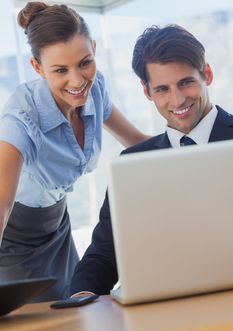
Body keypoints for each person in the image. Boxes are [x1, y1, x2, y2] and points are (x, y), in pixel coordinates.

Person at [0, 2, 149, 302]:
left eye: (85, 62)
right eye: (60, 70)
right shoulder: (23, 115)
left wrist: (199, 150)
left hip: (57, 228)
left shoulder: (96, 90)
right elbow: (1, 204)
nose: (78, 80)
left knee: (75, 314)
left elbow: (138, 143)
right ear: (38, 68)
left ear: (94, 49)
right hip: (14, 240)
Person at [70, 24, 233, 297]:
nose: (177, 99)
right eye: (162, 89)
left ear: (206, 74)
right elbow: (103, 254)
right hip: (158, 307)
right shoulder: (133, 164)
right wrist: (80, 297)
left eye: (186, 82)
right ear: (146, 92)